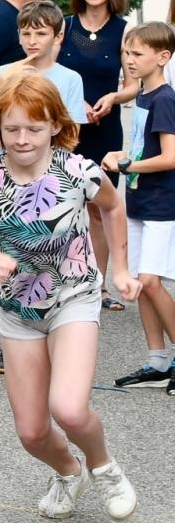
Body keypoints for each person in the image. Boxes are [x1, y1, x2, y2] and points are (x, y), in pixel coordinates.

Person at [0, 71, 139, 520]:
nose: (22, 139)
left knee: (68, 407)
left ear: (55, 127)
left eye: (34, 129)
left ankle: (105, 468)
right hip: (19, 309)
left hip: (75, 295)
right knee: (31, 432)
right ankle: (68, 471)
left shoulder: (78, 171)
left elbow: (113, 207)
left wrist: (119, 268)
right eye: (12, 129)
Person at [100, 22, 175, 392]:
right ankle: (157, 360)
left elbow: (170, 157)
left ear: (163, 57)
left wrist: (128, 166)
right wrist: (122, 154)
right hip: (139, 200)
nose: (129, 60)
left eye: (138, 54)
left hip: (163, 204)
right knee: (141, 285)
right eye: (127, 53)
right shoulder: (143, 96)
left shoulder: (165, 99)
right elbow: (146, 149)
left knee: (150, 279)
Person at [63, 0, 132, 311]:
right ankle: (65, 279)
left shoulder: (122, 30)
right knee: (65, 205)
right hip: (68, 129)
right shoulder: (65, 25)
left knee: (99, 208)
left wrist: (113, 97)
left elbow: (133, 84)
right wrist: (77, 103)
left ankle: (98, 285)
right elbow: (51, 72)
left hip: (106, 129)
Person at [0, 1, 87, 123]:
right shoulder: (3, 73)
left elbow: (72, 133)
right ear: (19, 36)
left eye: (41, 34)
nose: (32, 41)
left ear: (58, 37)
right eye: (26, 34)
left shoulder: (71, 79)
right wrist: (2, 85)